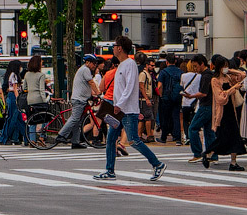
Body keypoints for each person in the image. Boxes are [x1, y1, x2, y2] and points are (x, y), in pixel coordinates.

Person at [92, 36, 164, 182]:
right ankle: (109, 170)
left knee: (133, 140)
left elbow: (130, 87)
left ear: (120, 48)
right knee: (111, 139)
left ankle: (157, 164)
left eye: (115, 45)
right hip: (119, 110)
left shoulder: (129, 64)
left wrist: (119, 104)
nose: (113, 48)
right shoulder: (122, 65)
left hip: (126, 111)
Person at [60, 53, 98, 149]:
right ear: (88, 62)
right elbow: (91, 82)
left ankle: (75, 141)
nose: (95, 66)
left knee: (78, 121)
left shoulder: (83, 69)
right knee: (75, 118)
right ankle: (61, 135)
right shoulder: (85, 69)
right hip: (79, 99)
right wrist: (98, 93)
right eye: (93, 63)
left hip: (81, 98)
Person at [155, 56, 183, 152]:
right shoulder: (180, 72)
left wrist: (162, 95)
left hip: (166, 97)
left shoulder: (163, 72)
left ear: (166, 62)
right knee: (176, 117)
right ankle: (178, 138)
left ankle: (163, 137)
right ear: (175, 61)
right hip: (177, 97)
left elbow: (159, 86)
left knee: (165, 117)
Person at [2, 56, 27, 145]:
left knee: (18, 119)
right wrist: (18, 100)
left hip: (11, 96)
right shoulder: (14, 75)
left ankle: (25, 137)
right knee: (12, 119)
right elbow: (15, 88)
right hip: (14, 97)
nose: (21, 68)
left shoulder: (10, 75)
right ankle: (4, 138)